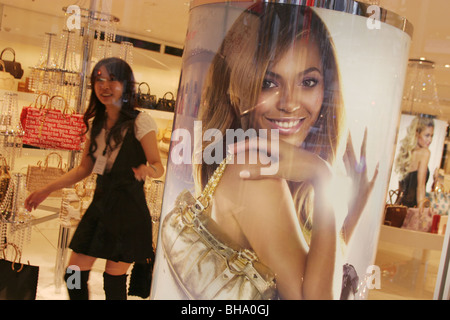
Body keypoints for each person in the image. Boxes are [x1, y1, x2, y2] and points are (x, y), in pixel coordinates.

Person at [190, 4, 377, 300]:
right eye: (268, 82)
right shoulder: (253, 168)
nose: (289, 103)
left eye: (308, 81)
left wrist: (355, 209)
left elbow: (320, 272)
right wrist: (322, 176)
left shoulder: (273, 170)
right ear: (238, 86)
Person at [24, 57, 164, 300]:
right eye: (99, 79)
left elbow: (158, 165)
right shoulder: (95, 123)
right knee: (74, 273)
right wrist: (46, 189)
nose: (104, 85)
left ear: (126, 85)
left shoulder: (140, 121)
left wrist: (146, 170)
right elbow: (83, 169)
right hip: (99, 207)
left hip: (128, 209)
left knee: (113, 279)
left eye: (112, 79)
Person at [395, 115, 434, 208]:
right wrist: (421, 213)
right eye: (427, 135)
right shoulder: (425, 153)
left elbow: (401, 188)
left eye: (432, 135)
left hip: (401, 206)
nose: (430, 140)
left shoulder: (407, 152)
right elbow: (420, 187)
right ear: (417, 133)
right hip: (413, 208)